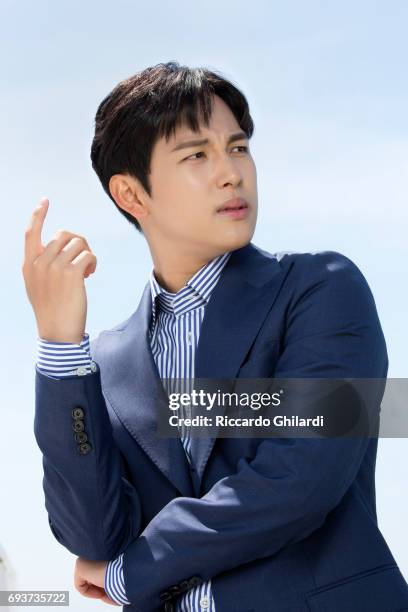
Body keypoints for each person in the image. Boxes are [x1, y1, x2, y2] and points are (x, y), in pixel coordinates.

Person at [22, 61, 408, 611]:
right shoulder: (108, 363)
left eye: (239, 147)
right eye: (197, 155)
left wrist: (134, 571)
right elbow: (92, 535)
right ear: (132, 195)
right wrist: (61, 347)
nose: (232, 173)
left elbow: (300, 478)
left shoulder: (320, 290)